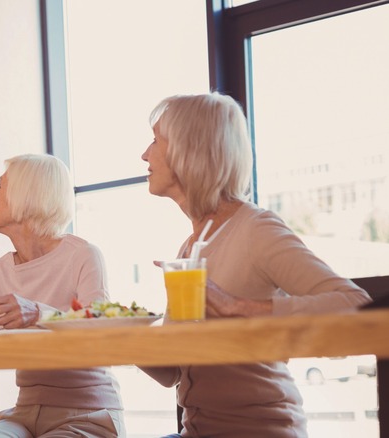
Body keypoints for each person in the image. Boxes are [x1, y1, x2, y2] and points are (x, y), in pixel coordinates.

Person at [139, 92, 372, 437]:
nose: (144, 153)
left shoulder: (255, 229)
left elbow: (356, 306)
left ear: (188, 151)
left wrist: (240, 307)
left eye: (156, 140)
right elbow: (176, 372)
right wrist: (125, 337)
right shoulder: (191, 245)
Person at [0, 154, 126, 437]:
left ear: (26, 194)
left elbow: (99, 333)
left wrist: (40, 314)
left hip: (88, 414)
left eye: (0, 187)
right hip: (23, 416)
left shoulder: (83, 256)